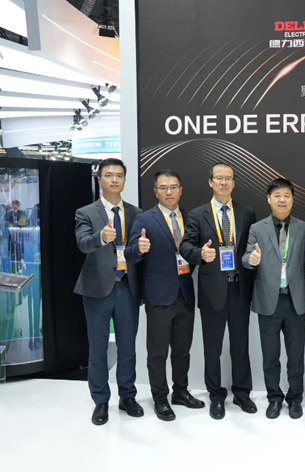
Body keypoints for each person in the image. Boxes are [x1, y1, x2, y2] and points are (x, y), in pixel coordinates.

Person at [126, 170, 205, 422]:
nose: (169, 192)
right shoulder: (144, 219)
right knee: (157, 353)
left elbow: (194, 252)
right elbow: (129, 254)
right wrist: (139, 249)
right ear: (155, 192)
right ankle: (160, 398)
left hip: (185, 292)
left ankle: (180, 391)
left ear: (181, 190)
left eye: (173, 187)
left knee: (182, 351)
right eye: (163, 188)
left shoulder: (191, 218)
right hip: (159, 295)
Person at [179, 163, 256, 420]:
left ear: (234, 183)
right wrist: (199, 253)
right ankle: (216, 395)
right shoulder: (197, 214)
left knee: (240, 346)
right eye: (219, 178)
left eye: (228, 179)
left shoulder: (247, 212)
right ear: (210, 182)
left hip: (240, 289)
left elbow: (252, 247)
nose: (224, 183)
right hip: (213, 290)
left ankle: (242, 393)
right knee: (212, 348)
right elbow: (185, 246)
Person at [74, 158, 143, 426]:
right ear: (100, 179)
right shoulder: (85, 212)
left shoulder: (136, 212)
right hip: (96, 289)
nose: (114, 179)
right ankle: (101, 401)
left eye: (119, 175)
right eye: (109, 175)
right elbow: (82, 244)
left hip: (127, 287)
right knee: (98, 348)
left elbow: (135, 251)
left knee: (128, 347)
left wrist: (141, 250)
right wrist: (101, 238)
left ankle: (127, 396)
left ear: (125, 180)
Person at [242, 178, 305, 419]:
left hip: (295, 301)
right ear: (269, 199)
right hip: (268, 301)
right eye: (277, 196)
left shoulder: (303, 228)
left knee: (296, 357)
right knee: (270, 356)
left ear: (292, 199)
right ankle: (274, 398)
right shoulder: (257, 228)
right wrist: (251, 260)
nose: (282, 200)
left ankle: (295, 399)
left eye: (286, 196)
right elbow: (246, 257)